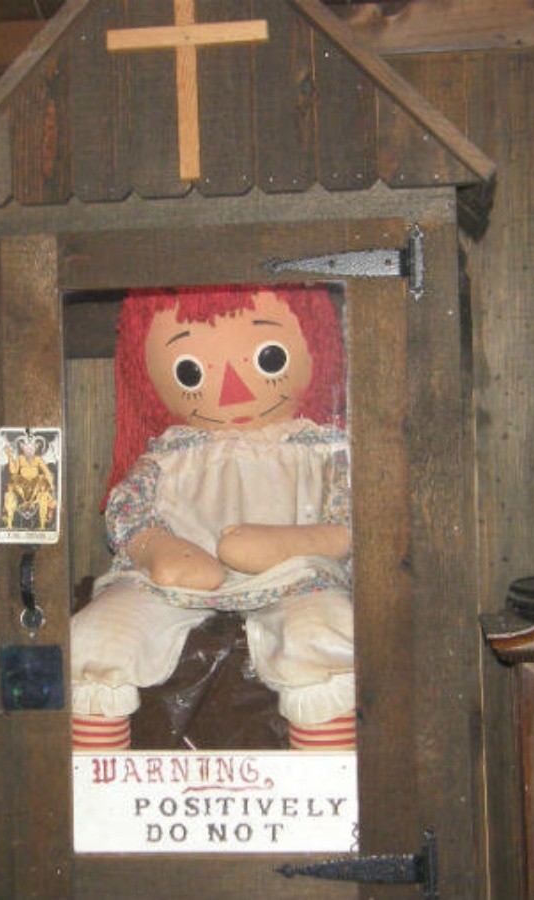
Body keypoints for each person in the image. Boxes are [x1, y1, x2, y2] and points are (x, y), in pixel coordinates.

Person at [70, 284, 356, 751]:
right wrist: (156, 547)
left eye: (268, 360)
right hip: (172, 584)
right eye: (191, 371)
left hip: (297, 577)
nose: (232, 389)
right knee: (99, 636)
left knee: (322, 633)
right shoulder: (168, 455)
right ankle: (99, 787)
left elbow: (350, 519)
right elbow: (128, 509)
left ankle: (326, 783)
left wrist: (290, 544)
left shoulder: (322, 450)